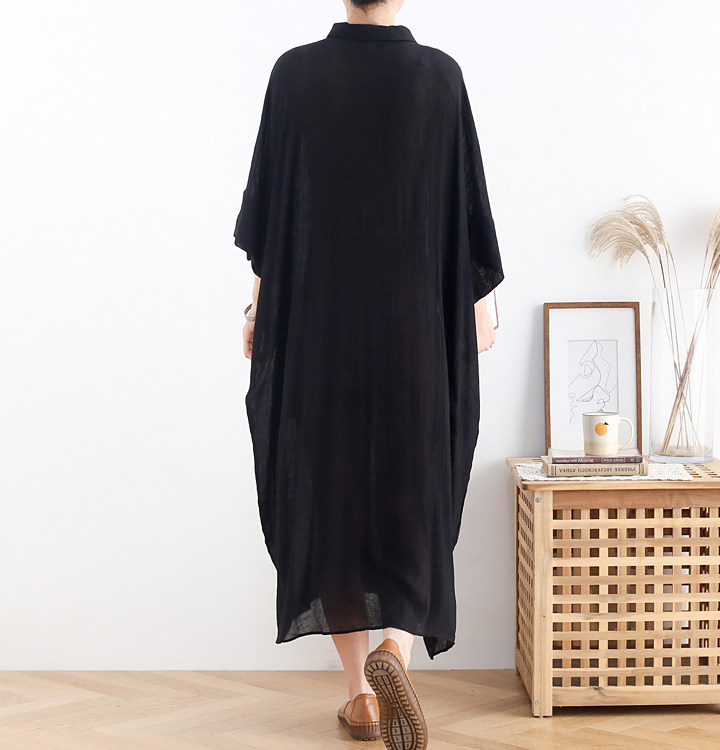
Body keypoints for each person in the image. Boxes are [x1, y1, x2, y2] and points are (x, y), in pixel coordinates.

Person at [234, 0, 504, 746]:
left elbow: (272, 218)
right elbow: (464, 210)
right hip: (414, 330)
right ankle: (396, 652)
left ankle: (360, 696)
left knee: (334, 499)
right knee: (416, 493)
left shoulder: (295, 75)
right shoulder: (438, 78)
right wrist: (480, 304)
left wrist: (256, 309)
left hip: (321, 331)